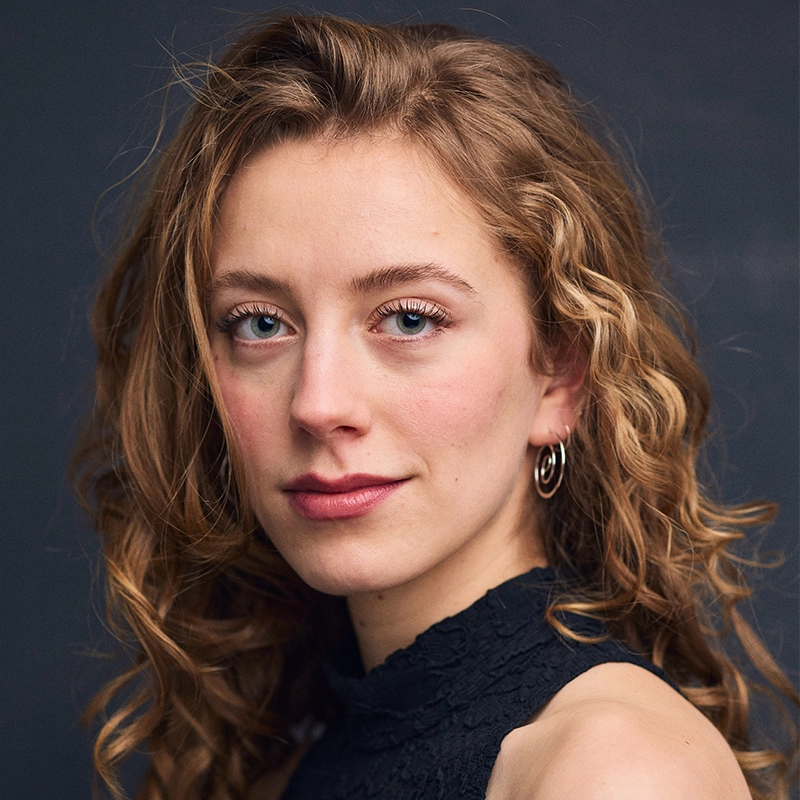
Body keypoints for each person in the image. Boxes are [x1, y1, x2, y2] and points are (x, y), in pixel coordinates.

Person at [73, 13, 798, 800]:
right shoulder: (283, 764)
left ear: (559, 379)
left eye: (409, 318)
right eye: (260, 324)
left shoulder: (611, 771)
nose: (318, 404)